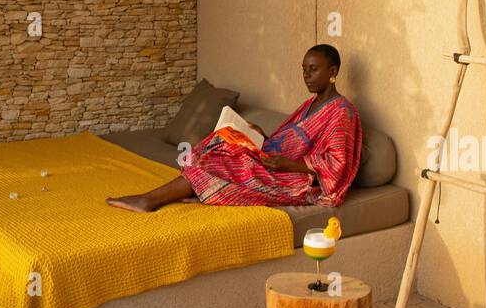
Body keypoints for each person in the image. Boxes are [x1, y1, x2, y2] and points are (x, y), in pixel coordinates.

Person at [106, 44, 362, 213]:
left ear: (333, 71)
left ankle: (151, 200)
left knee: (224, 158)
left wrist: (288, 164)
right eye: (304, 70)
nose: (306, 76)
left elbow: (337, 164)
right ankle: (185, 191)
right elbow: (287, 141)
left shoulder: (342, 112)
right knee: (221, 141)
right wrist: (260, 136)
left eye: (313, 70)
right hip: (274, 162)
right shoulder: (310, 103)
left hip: (294, 180)